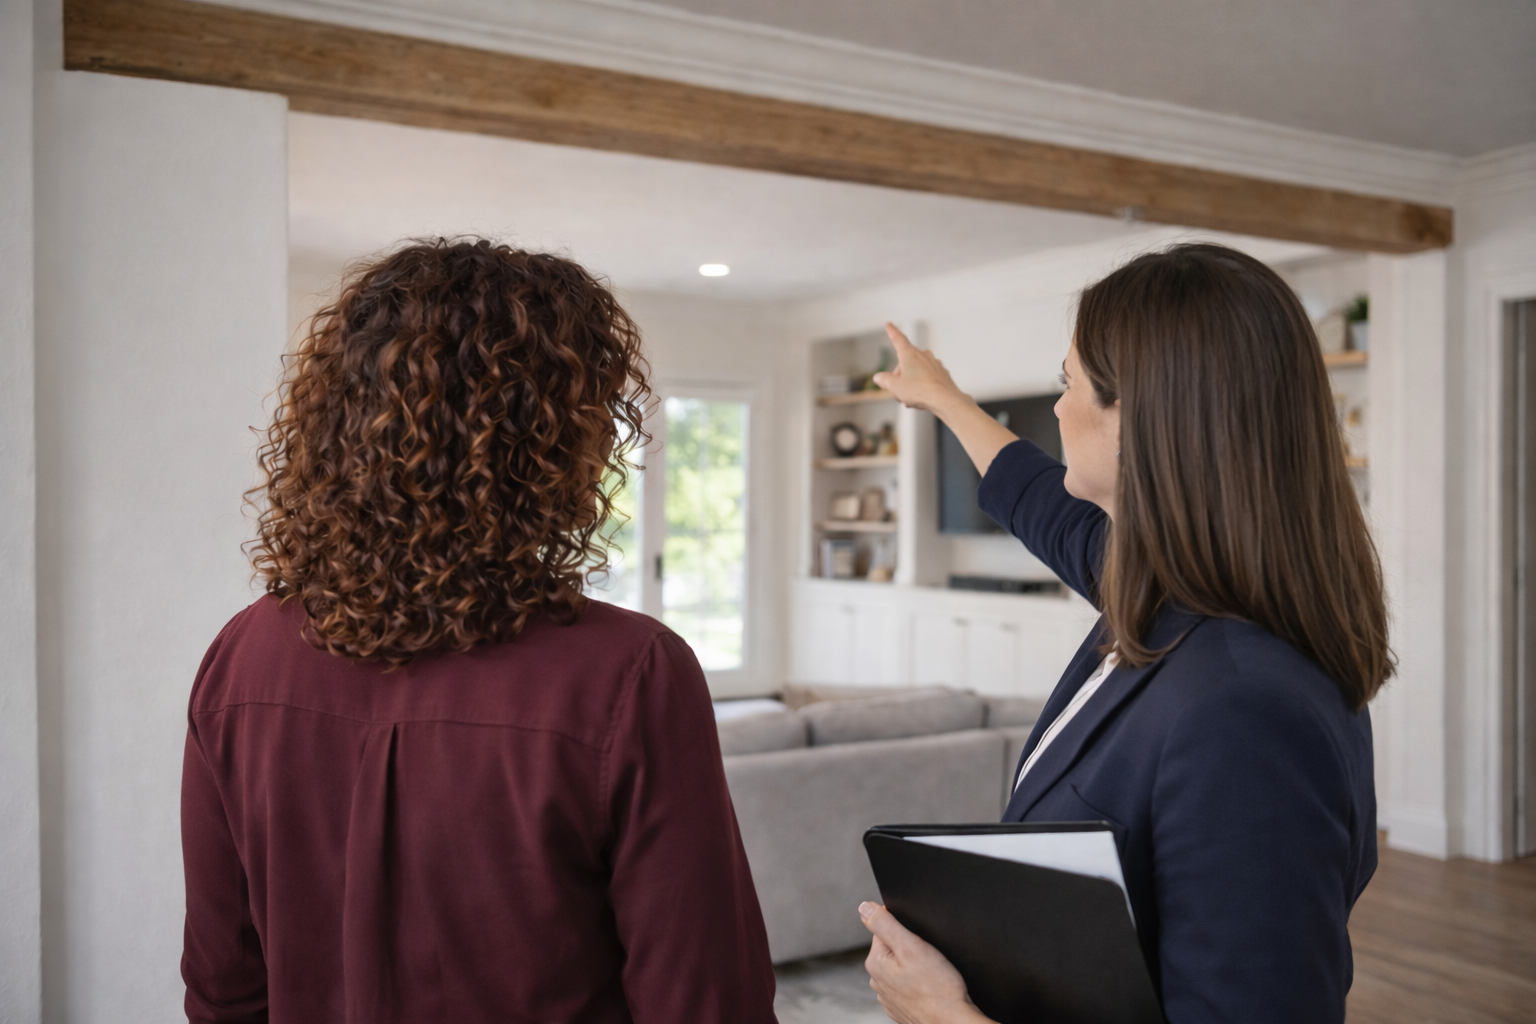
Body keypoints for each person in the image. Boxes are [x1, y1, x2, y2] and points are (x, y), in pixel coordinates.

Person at [180, 239, 777, 1024]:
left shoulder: (241, 657)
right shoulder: (628, 674)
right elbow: (705, 1003)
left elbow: (223, 991)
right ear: (551, 442)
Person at [858, 243, 1388, 1024]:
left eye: (1067, 383)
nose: (1057, 409)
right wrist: (945, 400)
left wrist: (946, 1016)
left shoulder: (1243, 712)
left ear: (1140, 414)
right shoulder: (1171, 594)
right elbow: (1042, 503)